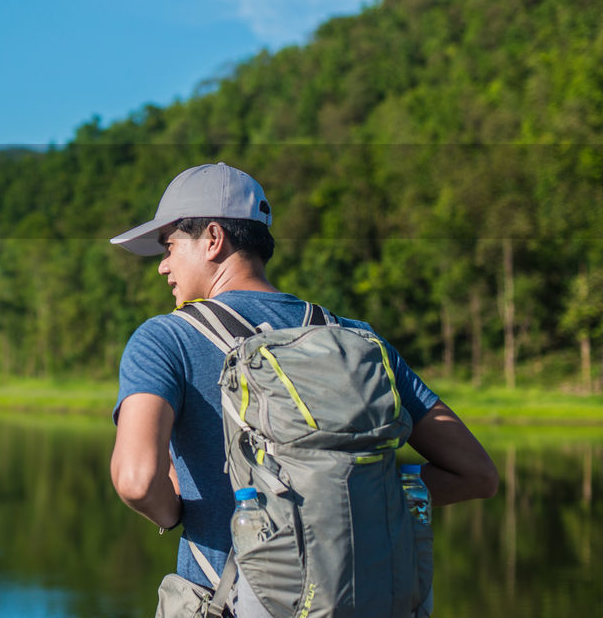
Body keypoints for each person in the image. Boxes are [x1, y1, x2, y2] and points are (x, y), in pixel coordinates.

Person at [108, 162, 499, 596]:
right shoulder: (359, 339)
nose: (164, 266)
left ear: (213, 240)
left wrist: (174, 514)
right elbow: (476, 475)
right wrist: (357, 494)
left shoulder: (165, 338)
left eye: (169, 246)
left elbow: (137, 481)